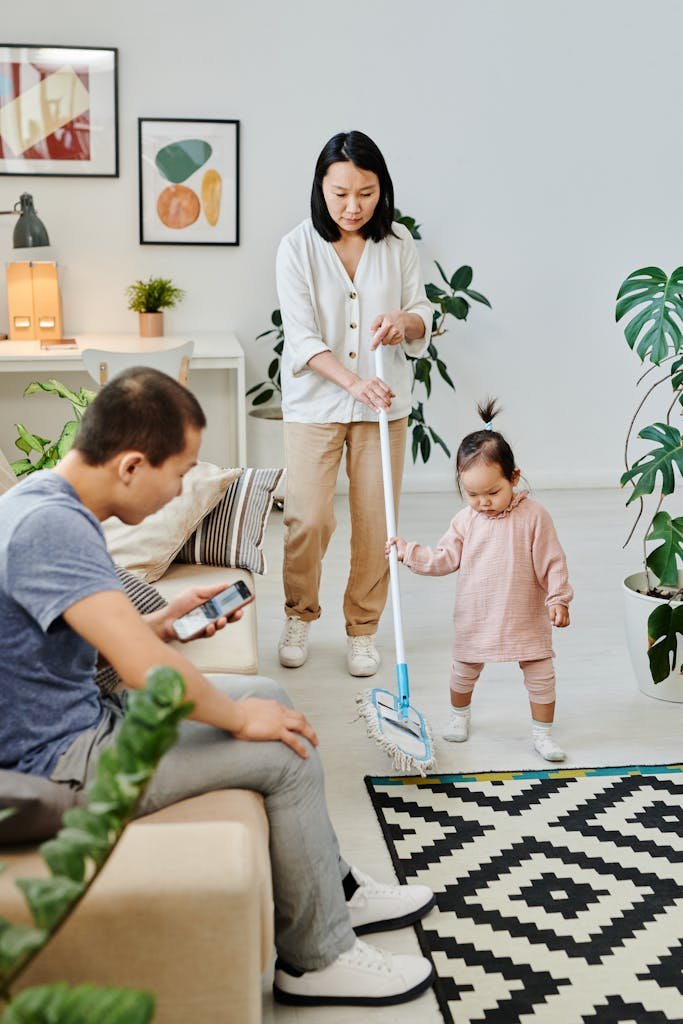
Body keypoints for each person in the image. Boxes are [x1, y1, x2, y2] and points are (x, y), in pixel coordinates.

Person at [0, 367, 436, 1008]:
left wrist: (160, 624)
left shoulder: (41, 500)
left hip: (81, 723)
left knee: (273, 696)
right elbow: (147, 672)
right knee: (276, 748)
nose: (180, 490)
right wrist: (236, 718)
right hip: (65, 765)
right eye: (179, 472)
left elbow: (79, 644)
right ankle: (318, 960)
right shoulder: (53, 529)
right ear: (129, 466)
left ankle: (337, 889)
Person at [276, 130, 431, 678]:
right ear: (321, 188)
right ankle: (299, 614)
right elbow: (302, 339)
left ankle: (363, 630)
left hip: (383, 405)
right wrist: (352, 382)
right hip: (315, 405)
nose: (352, 206)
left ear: (381, 189)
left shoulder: (399, 244)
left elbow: (420, 315)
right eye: (340, 193)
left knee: (375, 522)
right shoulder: (296, 247)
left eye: (365, 193)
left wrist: (403, 322)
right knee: (309, 518)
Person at [387, 399, 573, 762]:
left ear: (514, 478)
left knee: (541, 674)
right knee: (464, 670)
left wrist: (559, 599)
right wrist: (408, 552)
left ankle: (543, 734)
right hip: (478, 614)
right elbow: (444, 558)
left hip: (524, 616)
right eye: (472, 495)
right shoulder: (465, 521)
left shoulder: (534, 517)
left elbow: (553, 561)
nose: (483, 502)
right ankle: (459, 716)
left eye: (492, 492)